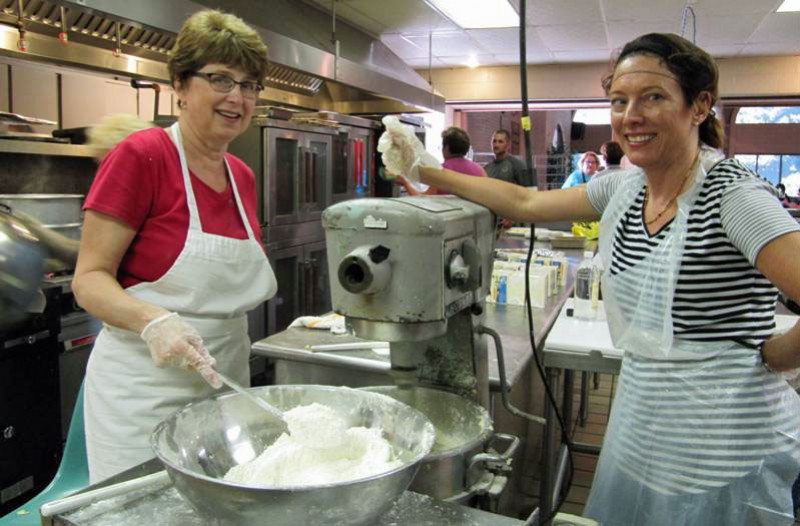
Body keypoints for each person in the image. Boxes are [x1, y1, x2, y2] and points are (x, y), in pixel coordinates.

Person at [380, 32, 800, 525]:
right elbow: (527, 203)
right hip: (642, 419)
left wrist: (778, 354)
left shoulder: (732, 197)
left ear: (700, 106)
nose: (631, 116)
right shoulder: (624, 187)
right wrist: (425, 167)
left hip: (719, 440)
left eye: (654, 97)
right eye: (619, 101)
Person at [72, 10, 277, 483]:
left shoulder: (241, 176)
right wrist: (154, 321)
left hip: (225, 390)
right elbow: (89, 279)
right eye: (221, 79)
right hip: (143, 395)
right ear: (180, 86)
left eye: (249, 85)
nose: (237, 97)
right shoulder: (143, 156)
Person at [396, 126, 485, 196]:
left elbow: (425, 200)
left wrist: (405, 182)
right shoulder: (479, 170)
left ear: (446, 147)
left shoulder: (441, 171)